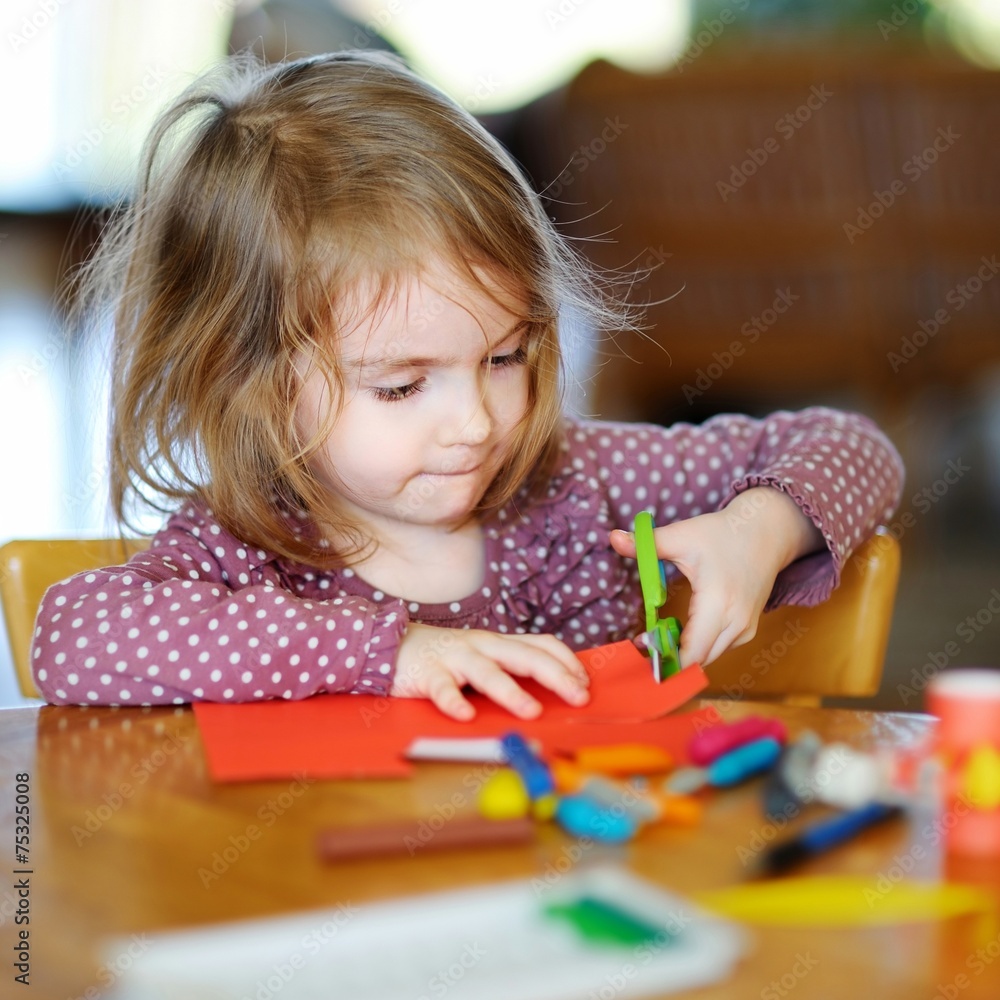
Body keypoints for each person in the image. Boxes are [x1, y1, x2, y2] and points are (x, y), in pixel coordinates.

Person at [32, 50, 903, 719]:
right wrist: (392, 653)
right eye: (403, 388)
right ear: (247, 383)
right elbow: (73, 636)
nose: (477, 426)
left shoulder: (570, 483)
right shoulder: (247, 544)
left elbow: (856, 445)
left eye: (504, 358)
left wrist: (762, 528)